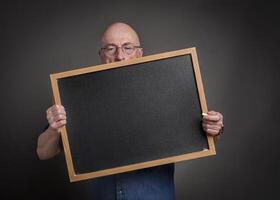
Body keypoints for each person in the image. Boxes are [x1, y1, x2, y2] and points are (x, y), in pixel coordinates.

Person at [37, 22, 224, 199]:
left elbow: (202, 135)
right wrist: (54, 128)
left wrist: (214, 128)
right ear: (101, 54)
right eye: (110, 48)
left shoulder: (165, 92)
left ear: (139, 53)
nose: (120, 55)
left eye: (127, 47)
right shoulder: (78, 97)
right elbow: (43, 151)